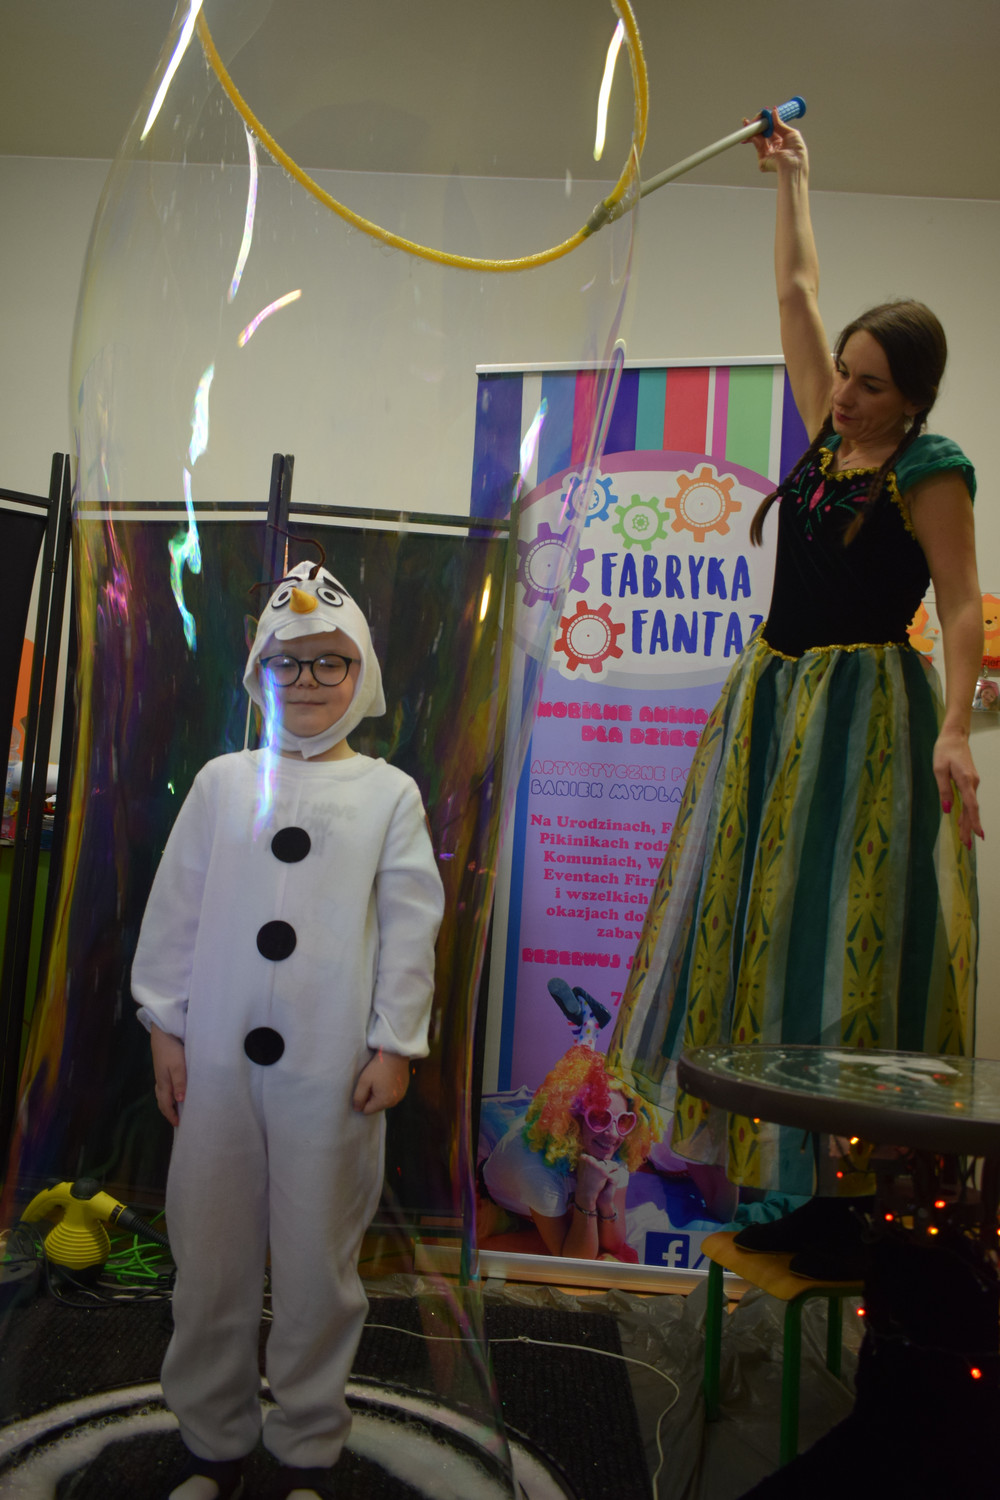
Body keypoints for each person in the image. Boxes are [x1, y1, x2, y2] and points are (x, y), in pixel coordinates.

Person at [608, 114, 983, 1277]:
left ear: (912, 399)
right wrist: (796, 178)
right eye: (845, 377)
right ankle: (794, 1188)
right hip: (772, 698)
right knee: (759, 934)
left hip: (860, 717)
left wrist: (956, 727)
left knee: (839, 943)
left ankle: (855, 1199)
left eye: (870, 386)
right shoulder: (828, 435)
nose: (845, 397)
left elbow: (960, 607)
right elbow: (796, 290)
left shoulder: (930, 469)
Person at [132, 559, 445, 1500]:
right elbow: (176, 910)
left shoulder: (388, 794)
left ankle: (307, 1448)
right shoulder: (223, 783)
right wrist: (165, 1028)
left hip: (330, 1068)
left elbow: (410, 927)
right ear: (258, 671)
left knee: (317, 1264)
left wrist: (395, 1043)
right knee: (210, 1256)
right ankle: (213, 1444)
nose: (306, 681)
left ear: (363, 673)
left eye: (329, 663)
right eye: (287, 662)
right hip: (215, 1066)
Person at [481, 1043, 660, 1260]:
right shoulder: (536, 1167)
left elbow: (614, 1243)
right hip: (506, 1209)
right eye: (599, 1118)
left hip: (550, 1205)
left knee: (612, 1255)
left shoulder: (616, 1149)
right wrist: (586, 1195)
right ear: (574, 1119)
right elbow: (575, 1259)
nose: (613, 1134)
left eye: (623, 1120)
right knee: (592, 1257)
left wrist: (605, 1202)